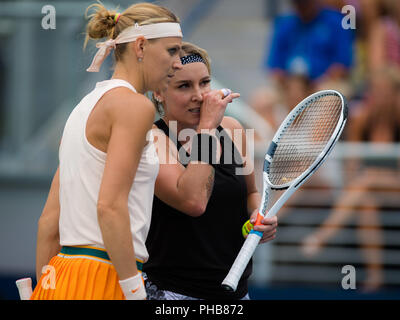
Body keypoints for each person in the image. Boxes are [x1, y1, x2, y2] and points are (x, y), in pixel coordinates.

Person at [30, 2, 182, 300]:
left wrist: (42, 291)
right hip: (107, 278)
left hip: (59, 280)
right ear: (140, 46)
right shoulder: (135, 106)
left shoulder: (82, 109)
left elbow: (49, 223)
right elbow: (110, 207)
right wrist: (135, 291)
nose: (178, 63)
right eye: (172, 50)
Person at [142, 42, 278, 300]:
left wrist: (259, 216)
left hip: (236, 292)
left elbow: (250, 192)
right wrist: (206, 127)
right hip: (172, 293)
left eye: (205, 83)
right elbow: (193, 201)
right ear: (159, 92)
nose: (199, 95)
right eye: (184, 86)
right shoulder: (151, 139)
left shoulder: (233, 129)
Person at [301, 66, 400, 291]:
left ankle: (322, 236)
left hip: (393, 188)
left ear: (396, 93)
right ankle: (376, 276)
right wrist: (369, 179)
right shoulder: (362, 120)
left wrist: (374, 178)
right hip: (369, 192)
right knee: (365, 202)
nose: (379, 96)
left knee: (366, 182)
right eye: (375, 91)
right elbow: (351, 169)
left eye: (385, 91)